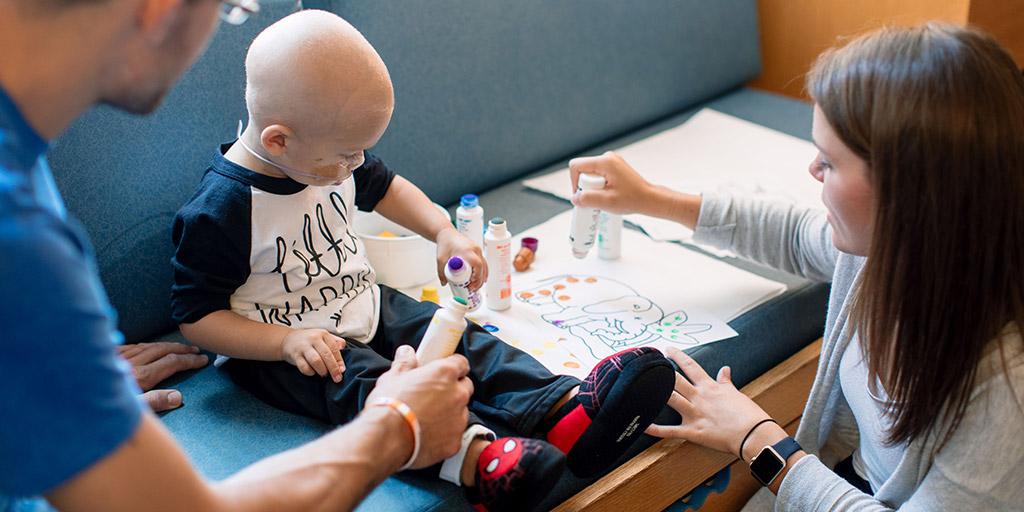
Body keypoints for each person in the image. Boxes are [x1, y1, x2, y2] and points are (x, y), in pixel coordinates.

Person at [169, 11, 675, 510]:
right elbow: (196, 318)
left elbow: (388, 188)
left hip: (363, 301)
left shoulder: (325, 151)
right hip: (286, 349)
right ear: (279, 139)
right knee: (366, 386)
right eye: (347, 156)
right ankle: (477, 461)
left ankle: (563, 410)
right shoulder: (223, 210)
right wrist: (285, 342)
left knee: (464, 339)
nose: (357, 165)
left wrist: (443, 232)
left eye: (362, 152)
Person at [0, 1, 475, 511]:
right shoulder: (21, 244)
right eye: (230, 6)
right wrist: (397, 427)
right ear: (159, 10)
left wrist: (55, 383)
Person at [569, 23, 1024, 510]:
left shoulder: (1004, 392)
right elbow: (791, 233)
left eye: (828, 161)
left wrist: (755, 437)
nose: (813, 170)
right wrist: (652, 199)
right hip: (846, 478)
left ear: (910, 194)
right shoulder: (885, 254)